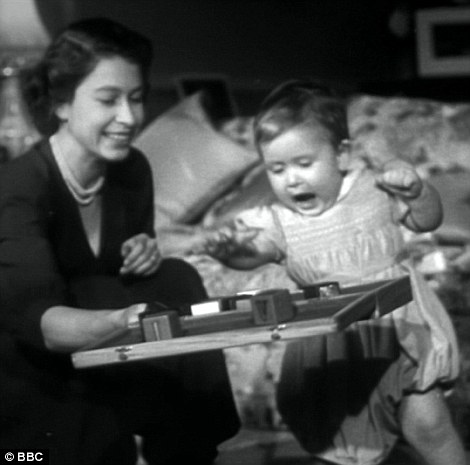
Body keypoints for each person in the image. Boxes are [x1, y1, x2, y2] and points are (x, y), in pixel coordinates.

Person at [0, 17, 240, 465]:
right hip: (32, 371)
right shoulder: (17, 188)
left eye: (136, 98)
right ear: (63, 103)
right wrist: (127, 319)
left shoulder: (132, 172)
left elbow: (114, 274)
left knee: (177, 277)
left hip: (102, 352)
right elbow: (43, 325)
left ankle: (187, 451)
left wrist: (145, 252)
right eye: (109, 100)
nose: (129, 118)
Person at [202, 80, 466, 465]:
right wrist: (231, 253)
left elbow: (428, 221)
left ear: (341, 155)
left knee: (429, 426)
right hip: (338, 352)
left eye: (304, 164)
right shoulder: (279, 221)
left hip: (401, 331)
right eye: (277, 169)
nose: (291, 179)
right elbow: (255, 254)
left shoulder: (376, 189)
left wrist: (417, 192)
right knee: (347, 446)